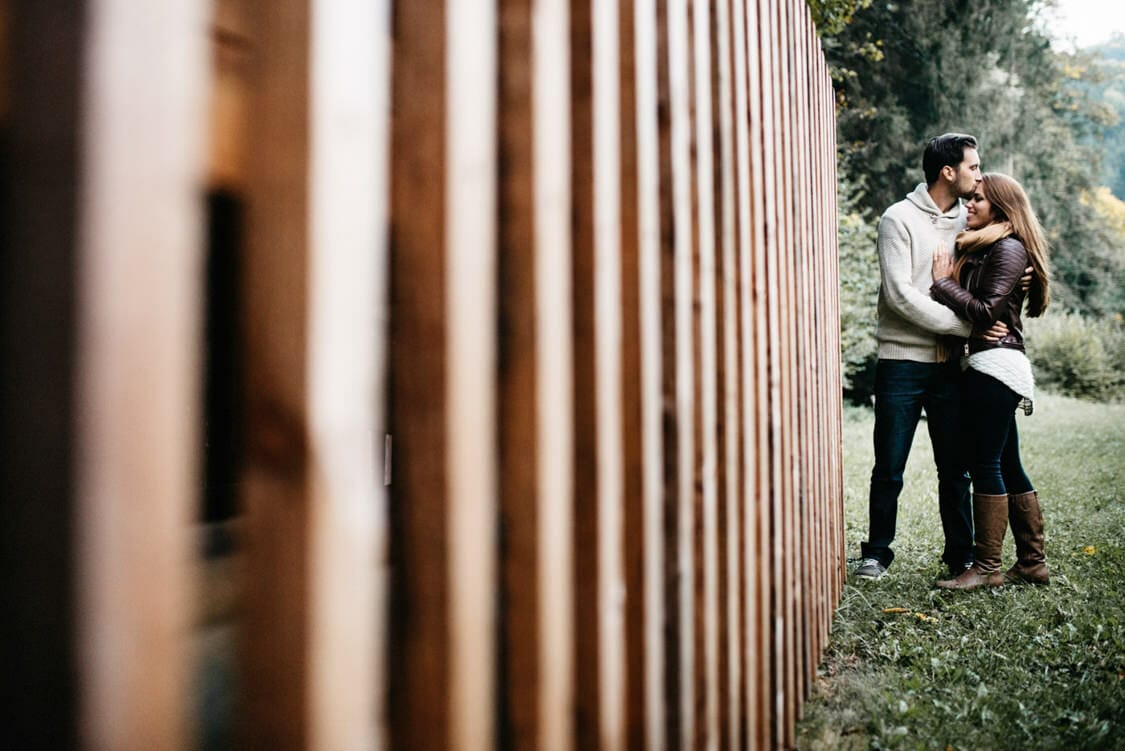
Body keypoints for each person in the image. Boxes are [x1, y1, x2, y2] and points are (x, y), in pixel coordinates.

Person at [855, 133, 985, 581]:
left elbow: (997, 263)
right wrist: (964, 326)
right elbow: (899, 295)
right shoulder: (898, 218)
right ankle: (876, 553)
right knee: (889, 465)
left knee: (956, 469)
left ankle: (961, 556)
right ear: (948, 171)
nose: (979, 175)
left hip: (951, 364)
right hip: (901, 362)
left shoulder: (970, 220)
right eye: (972, 166)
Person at [930, 173, 1051, 590]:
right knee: (1007, 463)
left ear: (1000, 207)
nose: (970, 204)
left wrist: (942, 283)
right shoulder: (987, 247)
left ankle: (986, 567)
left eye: (978, 199)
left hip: (995, 365)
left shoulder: (1008, 248)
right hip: (988, 363)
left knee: (986, 463)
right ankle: (1032, 563)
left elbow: (984, 311)